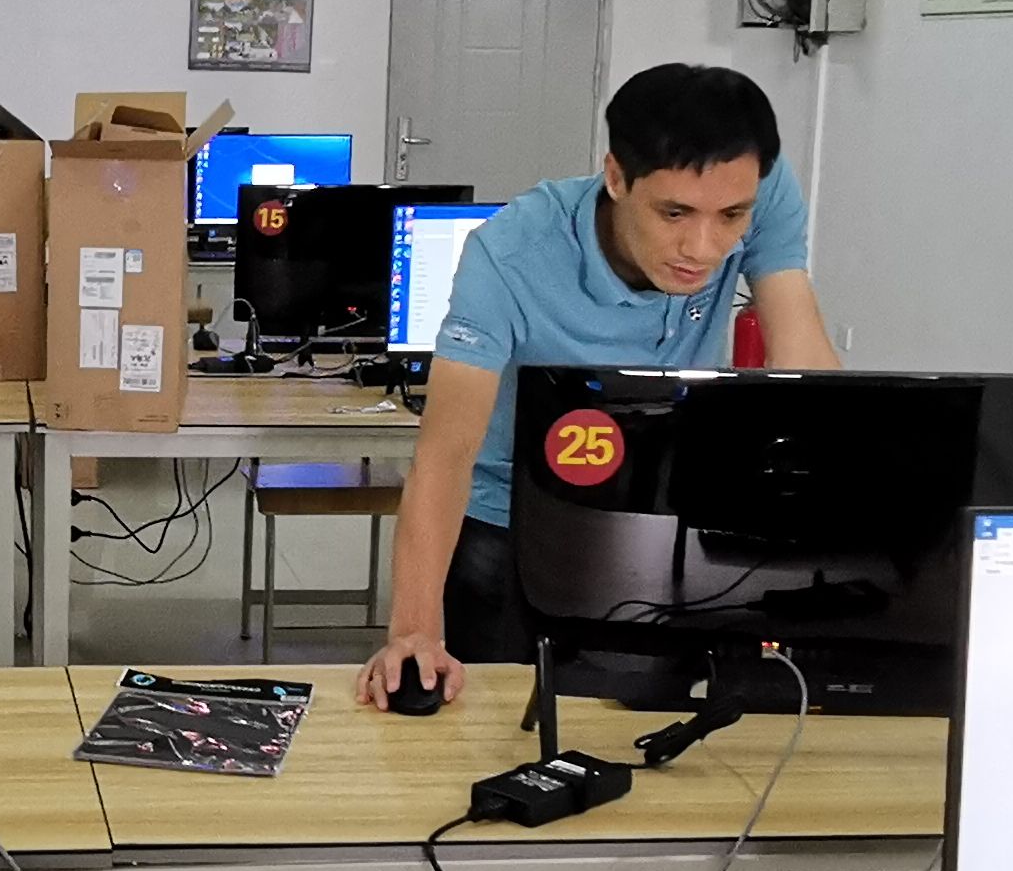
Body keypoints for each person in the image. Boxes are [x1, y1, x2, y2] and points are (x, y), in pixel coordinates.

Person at [359, 63, 841, 710]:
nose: (703, 248)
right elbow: (446, 455)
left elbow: (805, 376)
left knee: (651, 711)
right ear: (616, 177)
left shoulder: (755, 185)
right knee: (490, 720)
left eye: (731, 217)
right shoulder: (508, 256)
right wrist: (414, 633)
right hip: (512, 517)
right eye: (674, 212)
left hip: (658, 509)